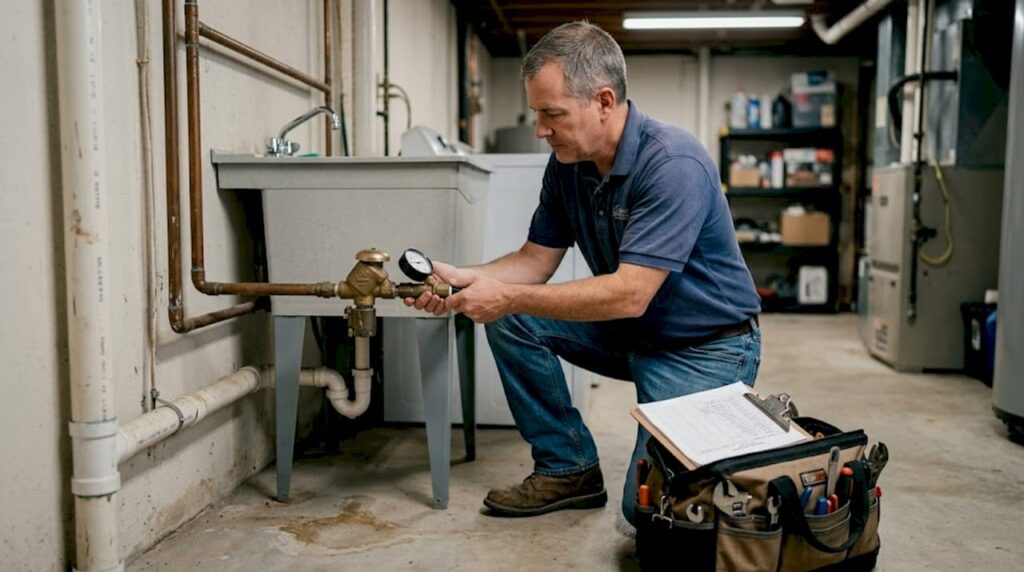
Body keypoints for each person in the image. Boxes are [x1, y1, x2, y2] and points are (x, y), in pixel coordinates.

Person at [404, 21, 761, 525]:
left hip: (705, 346)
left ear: (604, 101)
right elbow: (534, 260)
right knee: (511, 317)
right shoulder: (569, 163)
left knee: (648, 511)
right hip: (635, 331)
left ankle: (726, 428)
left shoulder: (673, 163)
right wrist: (462, 279)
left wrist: (506, 296)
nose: (540, 130)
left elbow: (630, 293)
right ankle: (567, 468)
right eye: (537, 114)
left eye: (553, 114)